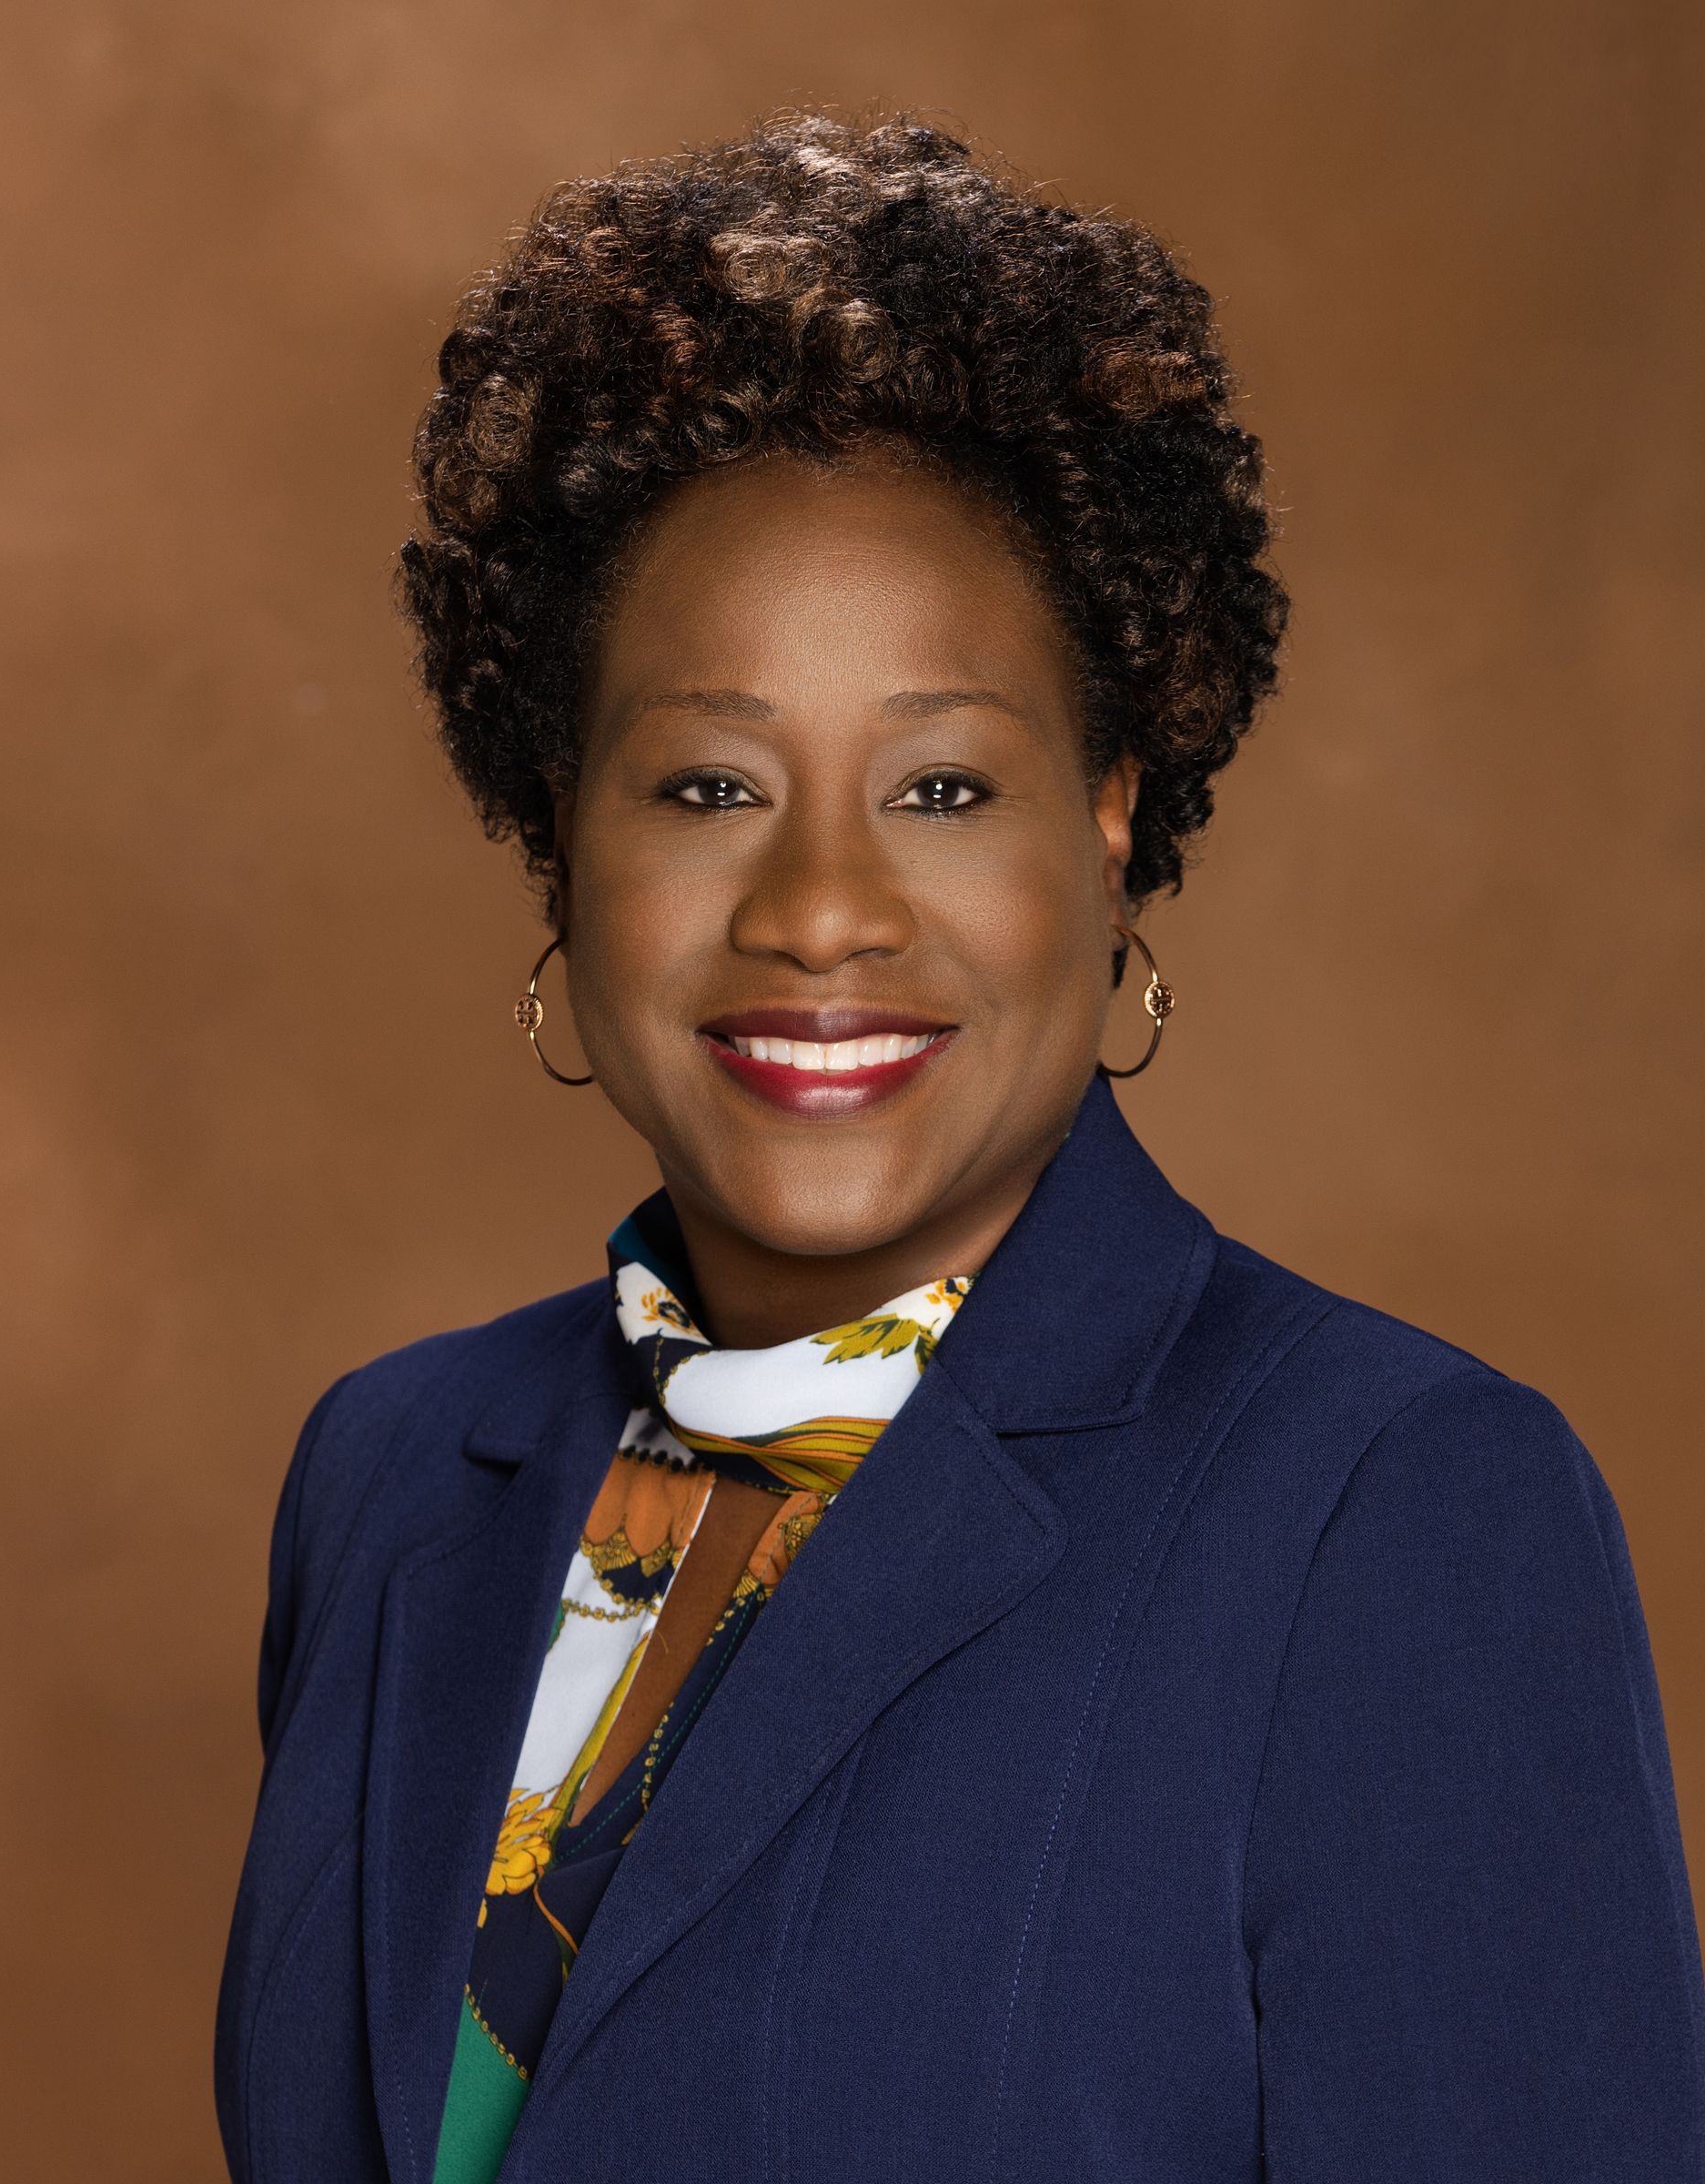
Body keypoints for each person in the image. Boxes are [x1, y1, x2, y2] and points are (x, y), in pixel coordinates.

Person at [215, 110, 1705, 2184]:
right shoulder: (389, 1481)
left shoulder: (1399, 1516)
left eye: (940, 789)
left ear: (1108, 816)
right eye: (709, 787)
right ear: (559, 829)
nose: (820, 909)